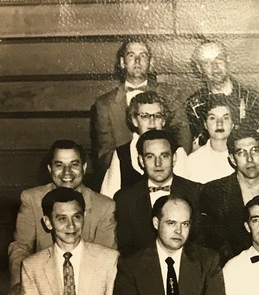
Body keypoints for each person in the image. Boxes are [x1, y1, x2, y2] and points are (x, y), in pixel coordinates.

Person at [7, 140, 117, 295]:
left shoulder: (103, 206)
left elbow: (105, 258)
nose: (67, 172)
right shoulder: (32, 199)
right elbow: (21, 246)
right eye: (59, 165)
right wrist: (19, 284)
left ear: (84, 167)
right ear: (50, 169)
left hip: (88, 293)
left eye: (74, 164)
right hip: (45, 286)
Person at [91, 38, 189, 171]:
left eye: (143, 56)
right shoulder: (105, 104)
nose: (137, 61)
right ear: (122, 62)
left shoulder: (171, 95)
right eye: (131, 55)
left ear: (151, 63)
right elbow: (105, 153)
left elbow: (183, 141)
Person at [199, 128, 259, 263]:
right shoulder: (212, 193)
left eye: (254, 151)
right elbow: (206, 246)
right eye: (241, 153)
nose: (249, 159)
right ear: (232, 159)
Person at [114, 129, 202, 257]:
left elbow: (200, 245)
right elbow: (126, 250)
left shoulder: (196, 192)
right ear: (141, 161)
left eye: (164, 156)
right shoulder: (125, 198)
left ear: (174, 158)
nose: (158, 163)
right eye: (150, 157)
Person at [100, 90, 190, 198]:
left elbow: (186, 193)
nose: (152, 121)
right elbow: (108, 198)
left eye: (157, 116)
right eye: (145, 116)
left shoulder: (177, 152)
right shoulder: (122, 154)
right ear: (134, 120)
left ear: (163, 121)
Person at [184, 40, 259, 149]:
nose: (215, 66)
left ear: (228, 59)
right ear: (199, 68)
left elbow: (258, 144)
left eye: (219, 59)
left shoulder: (251, 99)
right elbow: (197, 146)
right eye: (207, 62)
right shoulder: (194, 105)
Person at [183, 95, 237, 184]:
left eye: (225, 118)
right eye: (212, 118)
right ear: (205, 124)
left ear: (233, 124)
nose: (219, 123)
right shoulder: (192, 161)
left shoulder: (241, 158)